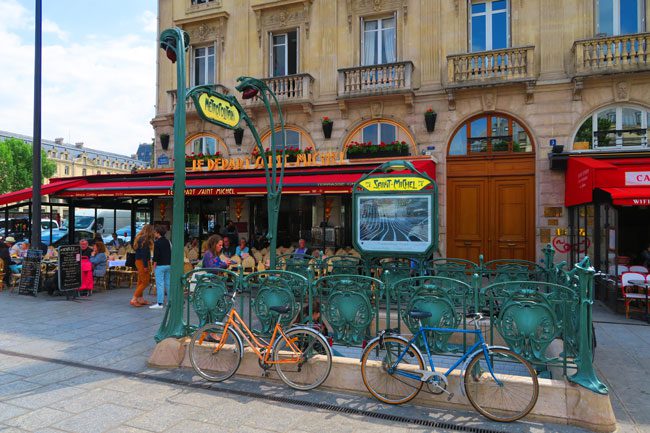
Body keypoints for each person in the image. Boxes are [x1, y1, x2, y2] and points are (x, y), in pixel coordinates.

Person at [130, 224, 155, 307]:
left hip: (138, 261)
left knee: (141, 281)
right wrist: (145, 266)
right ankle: (134, 299)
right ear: (149, 231)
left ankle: (140, 299)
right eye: (153, 230)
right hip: (142, 262)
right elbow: (144, 254)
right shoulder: (145, 240)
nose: (154, 232)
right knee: (145, 282)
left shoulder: (139, 238)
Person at [151, 225, 171, 309]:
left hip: (160, 265)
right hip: (169, 265)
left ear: (158, 233)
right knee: (168, 283)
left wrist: (153, 266)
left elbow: (156, 256)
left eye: (155, 232)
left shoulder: (157, 242)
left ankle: (160, 303)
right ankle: (170, 302)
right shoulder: (167, 241)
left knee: (160, 284)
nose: (154, 234)